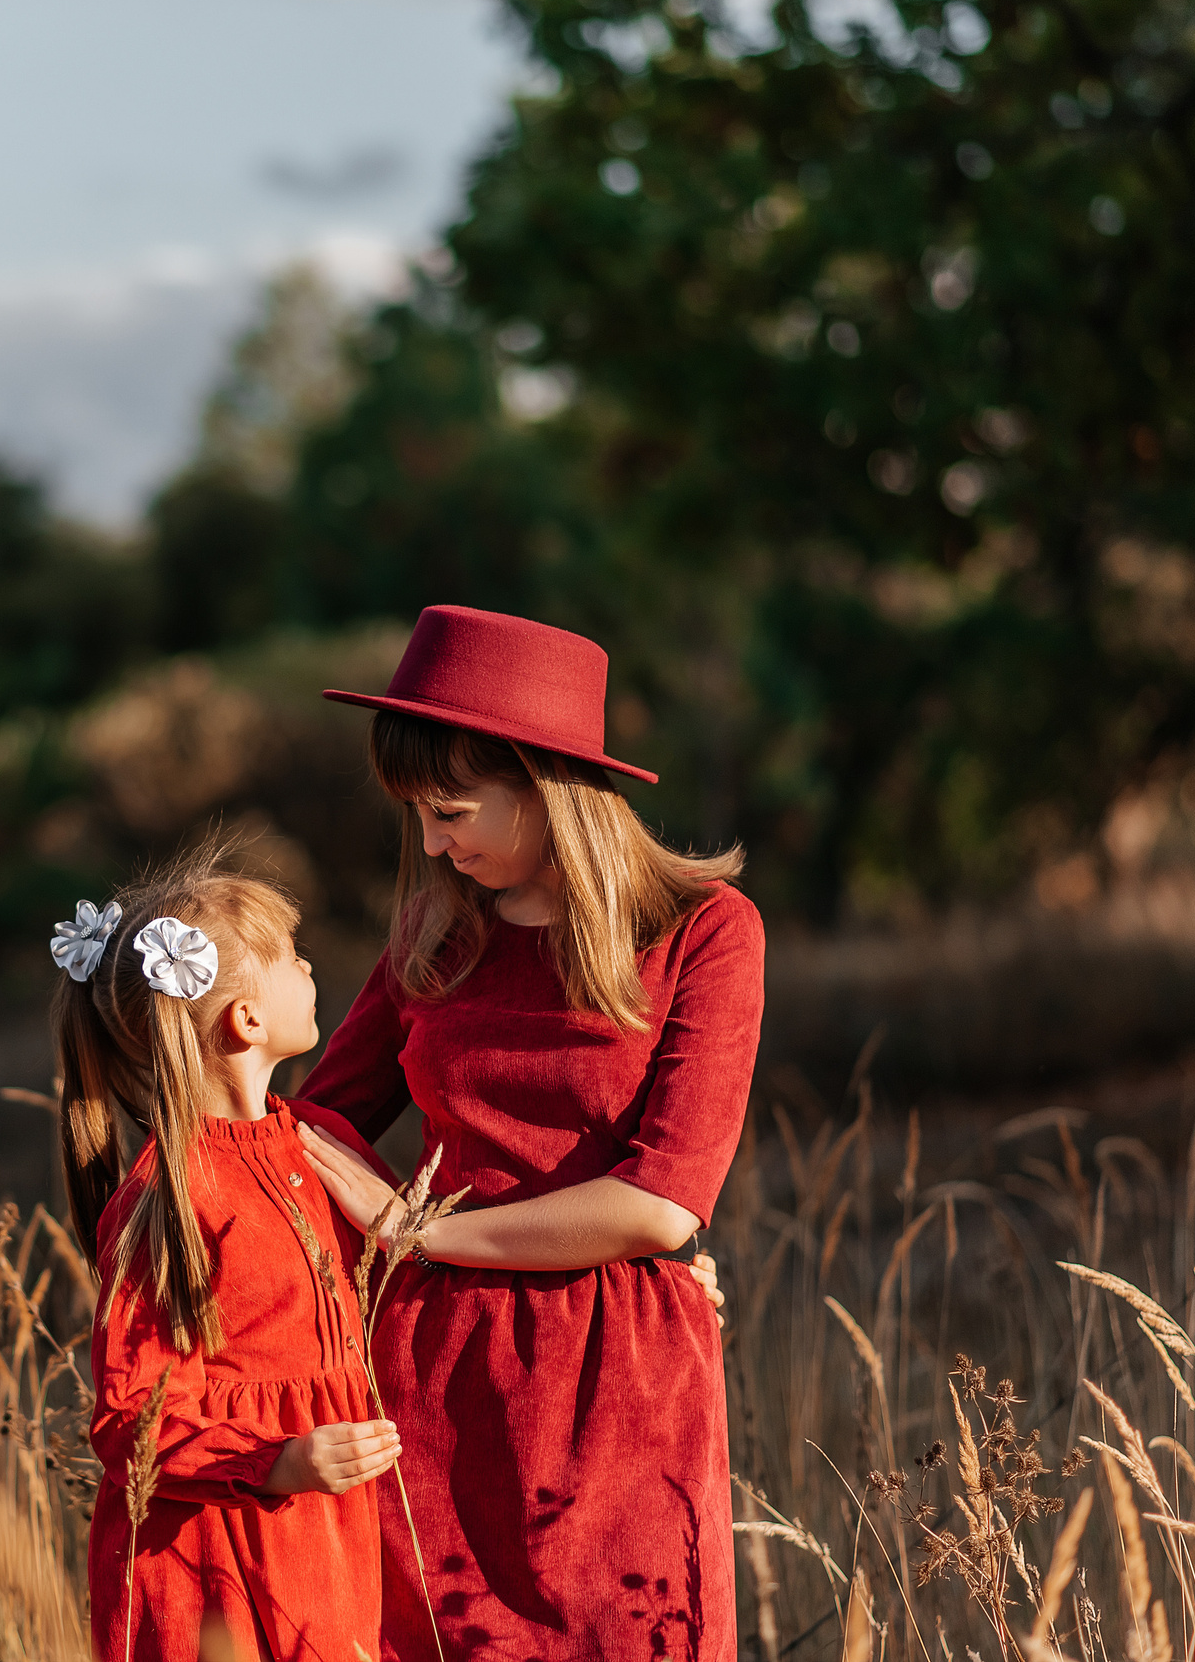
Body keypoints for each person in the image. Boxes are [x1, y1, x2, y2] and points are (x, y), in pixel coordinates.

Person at [296, 605, 765, 1662]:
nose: (431, 842)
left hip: (622, 1383)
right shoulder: (431, 934)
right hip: (425, 1381)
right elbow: (311, 1127)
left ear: (544, 781)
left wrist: (414, 1230)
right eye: (416, 811)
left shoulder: (702, 930)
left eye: (452, 807)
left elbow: (660, 1201)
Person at [56, 845, 401, 1661]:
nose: (312, 965)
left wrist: (641, 1269)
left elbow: (419, 1262)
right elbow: (125, 1417)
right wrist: (274, 1459)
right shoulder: (167, 1196)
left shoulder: (321, 1142)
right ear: (245, 1018)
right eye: (291, 955)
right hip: (216, 1556)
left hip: (327, 1534)